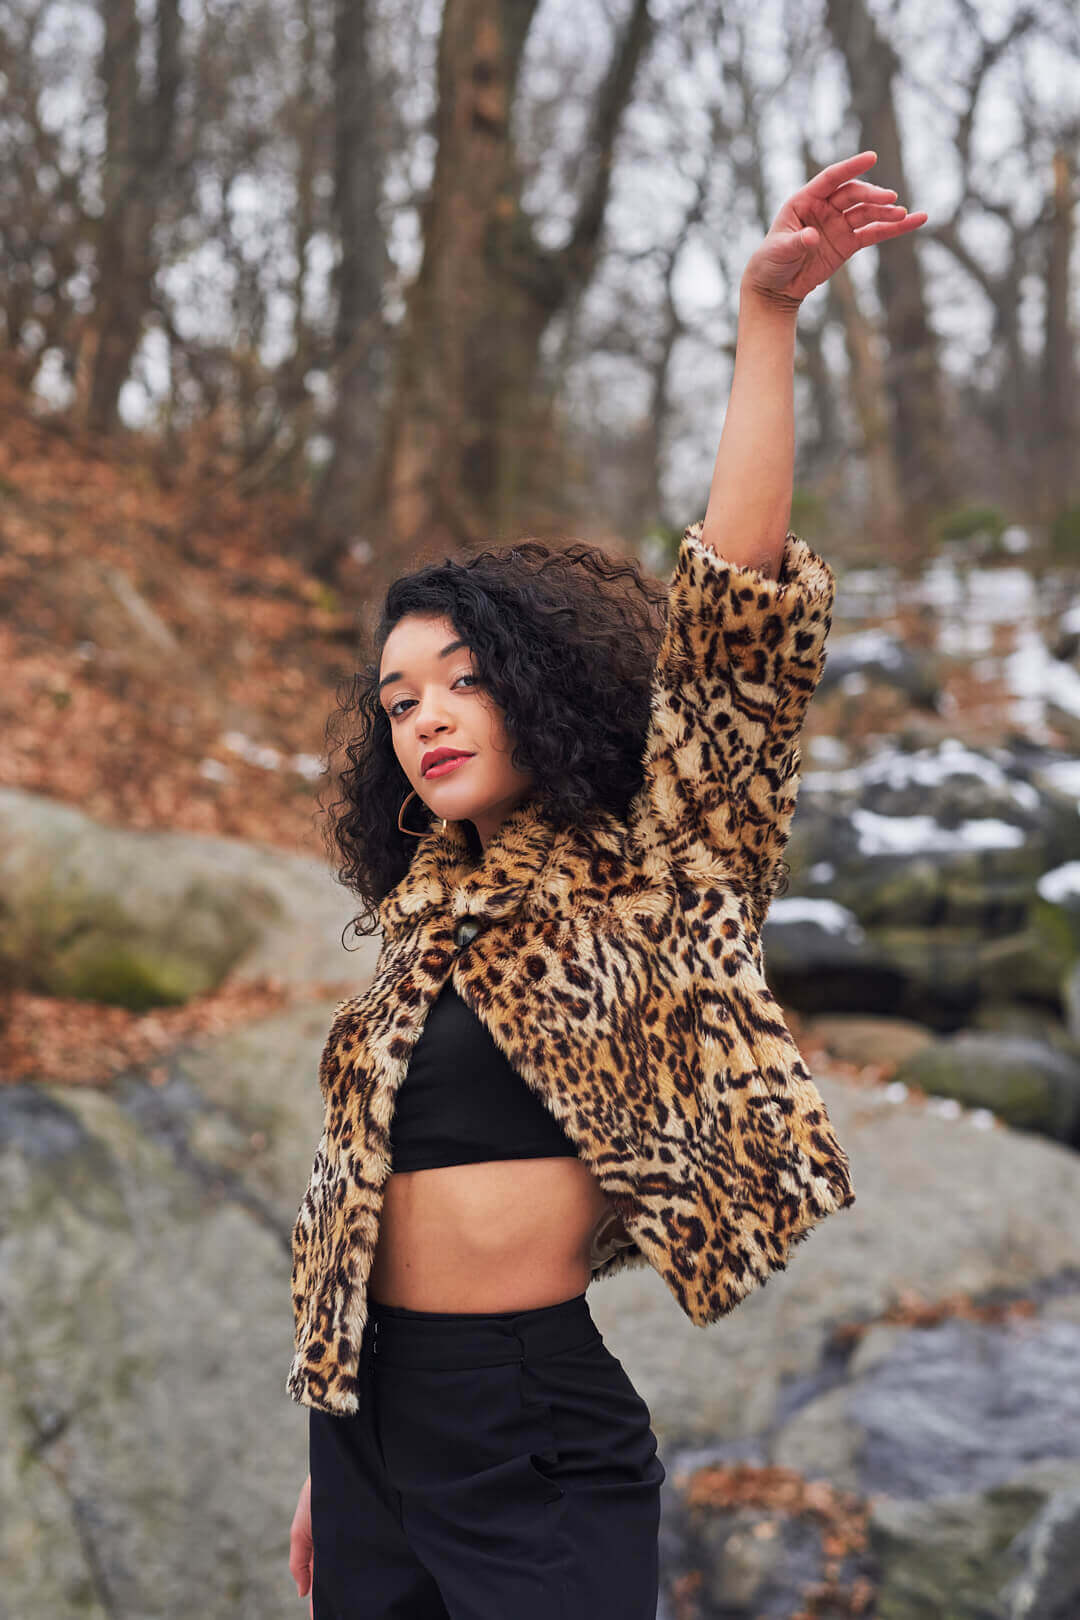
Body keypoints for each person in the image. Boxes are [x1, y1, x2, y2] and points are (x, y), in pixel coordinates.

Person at [288, 150, 927, 1618]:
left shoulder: (659, 870)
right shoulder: (416, 927)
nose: (428, 715)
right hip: (367, 1437)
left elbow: (739, 630)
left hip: (532, 1432)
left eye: (461, 679)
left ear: (535, 688)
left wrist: (765, 321)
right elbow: (350, 1211)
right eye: (398, 701)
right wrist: (328, 1453)